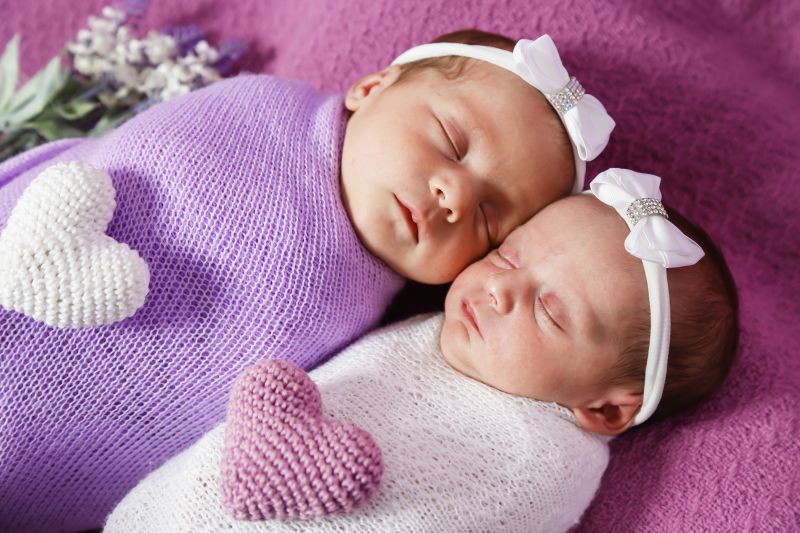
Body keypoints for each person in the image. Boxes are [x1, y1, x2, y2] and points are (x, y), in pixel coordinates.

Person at [0, 30, 614, 531]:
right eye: (451, 143)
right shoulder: (252, 110)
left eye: (487, 218)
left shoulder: (371, 325)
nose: (453, 196)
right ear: (372, 87)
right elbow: (111, 154)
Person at [104, 169, 739, 532]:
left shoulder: (541, 462)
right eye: (507, 255)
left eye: (549, 311)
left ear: (604, 408)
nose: (499, 288)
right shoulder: (437, 327)